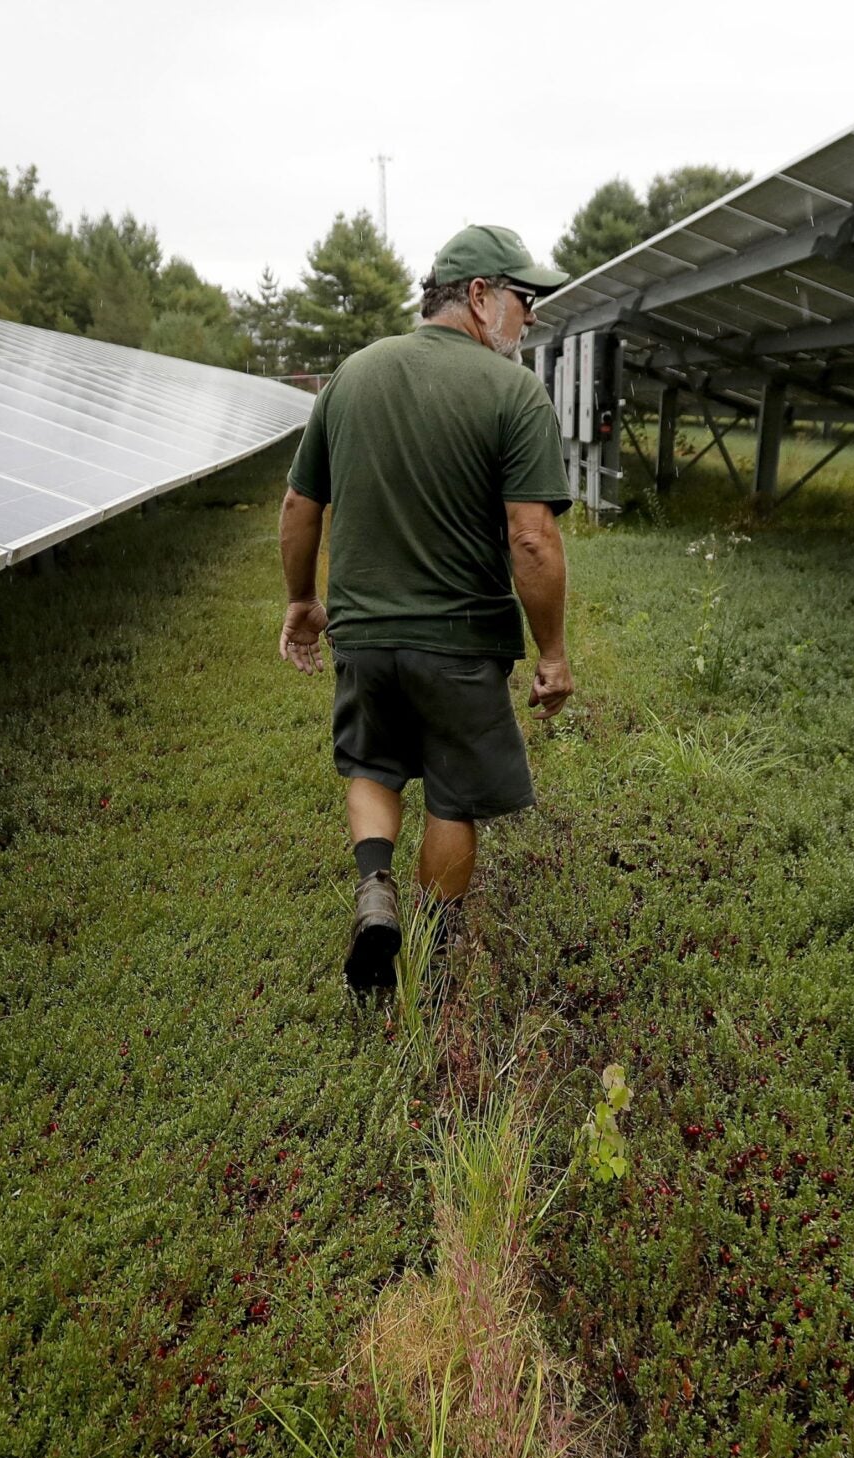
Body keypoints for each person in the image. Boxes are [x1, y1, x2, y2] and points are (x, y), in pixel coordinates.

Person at [277, 223, 575, 994]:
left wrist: (303, 600)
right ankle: (435, 956)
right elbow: (532, 539)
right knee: (453, 791)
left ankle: (375, 889)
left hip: (364, 637)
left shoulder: (351, 375)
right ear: (479, 297)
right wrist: (552, 652)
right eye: (524, 298)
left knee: (373, 762)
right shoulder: (513, 391)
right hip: (460, 639)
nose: (531, 316)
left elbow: (300, 502)